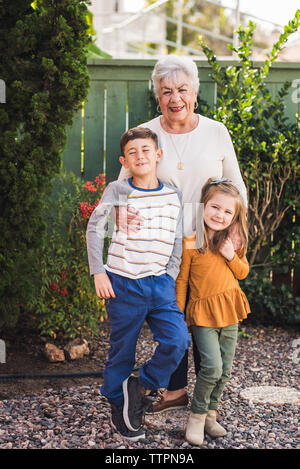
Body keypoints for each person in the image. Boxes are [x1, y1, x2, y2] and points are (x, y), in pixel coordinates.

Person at [118, 55, 247, 413]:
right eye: (166, 91)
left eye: (183, 90)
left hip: (210, 244)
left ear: (195, 92)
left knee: (208, 316)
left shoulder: (216, 131)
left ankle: (208, 400)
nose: (175, 98)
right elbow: (123, 185)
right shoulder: (145, 133)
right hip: (161, 246)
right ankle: (175, 393)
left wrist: (234, 229)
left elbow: (236, 184)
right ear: (157, 96)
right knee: (173, 315)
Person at [86, 126, 190, 441]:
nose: (140, 156)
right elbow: (95, 229)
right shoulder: (118, 190)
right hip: (123, 283)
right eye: (132, 152)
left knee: (177, 340)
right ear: (124, 160)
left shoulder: (173, 192)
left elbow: (176, 239)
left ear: (158, 155)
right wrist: (98, 272)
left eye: (146, 150)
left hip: (159, 285)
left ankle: (140, 386)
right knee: (122, 352)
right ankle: (121, 408)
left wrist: (169, 274)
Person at [175, 177, 250, 446]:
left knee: (226, 369)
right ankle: (196, 416)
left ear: (234, 216)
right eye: (215, 207)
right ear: (203, 206)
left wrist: (231, 255)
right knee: (211, 367)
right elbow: (182, 280)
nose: (220, 215)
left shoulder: (232, 241)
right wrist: (179, 315)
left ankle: (210, 413)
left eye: (228, 211)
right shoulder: (192, 241)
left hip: (230, 311)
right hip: (203, 314)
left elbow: (242, 272)